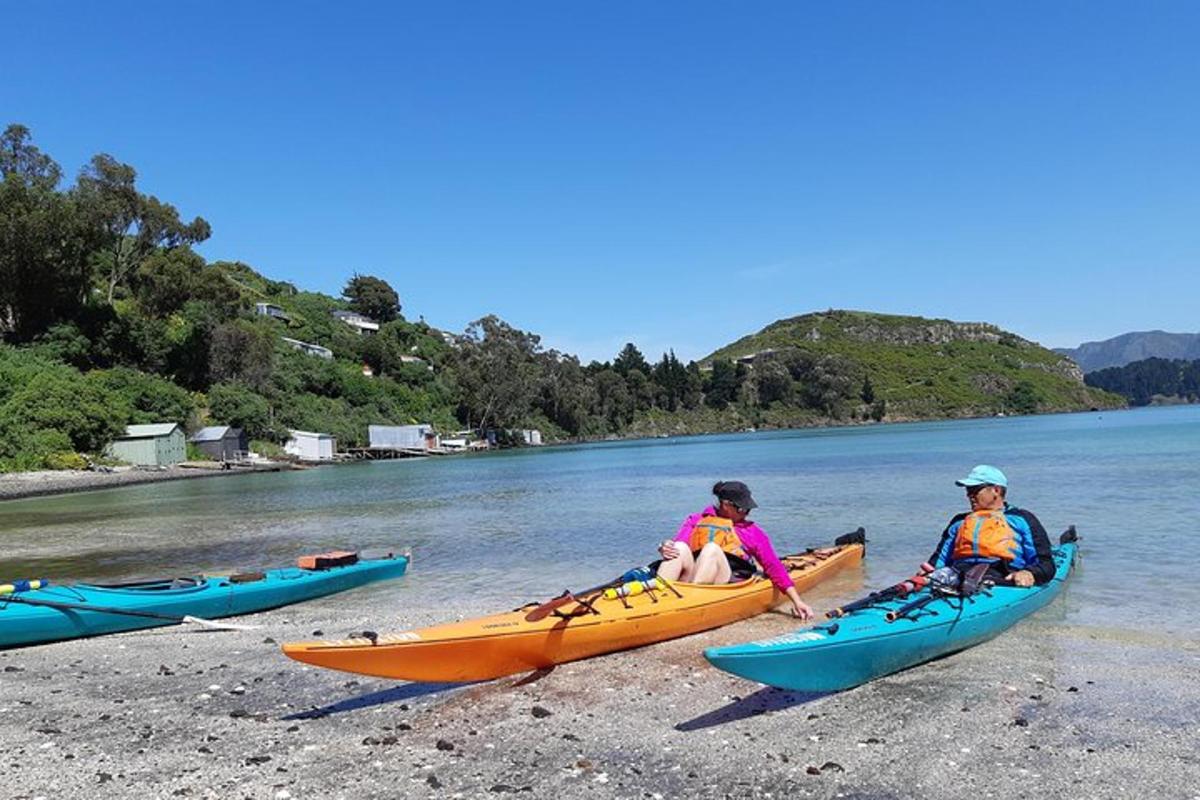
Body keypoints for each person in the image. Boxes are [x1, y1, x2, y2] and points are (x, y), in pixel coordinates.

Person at [656, 481, 814, 619]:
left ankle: (689, 607)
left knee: (711, 549)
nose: (745, 513)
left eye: (748, 509)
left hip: (724, 578)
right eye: (741, 508)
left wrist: (797, 601)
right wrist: (666, 547)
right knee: (679, 547)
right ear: (725, 504)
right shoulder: (696, 520)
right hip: (692, 576)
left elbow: (773, 566)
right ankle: (655, 597)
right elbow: (679, 547)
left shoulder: (751, 531)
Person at [927, 465, 1055, 588]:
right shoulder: (959, 521)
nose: (969, 495)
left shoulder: (1021, 519)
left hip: (1003, 578)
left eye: (974, 490)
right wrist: (927, 575)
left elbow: (1046, 565)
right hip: (959, 575)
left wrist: (1029, 573)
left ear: (996, 490)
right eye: (967, 490)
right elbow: (938, 562)